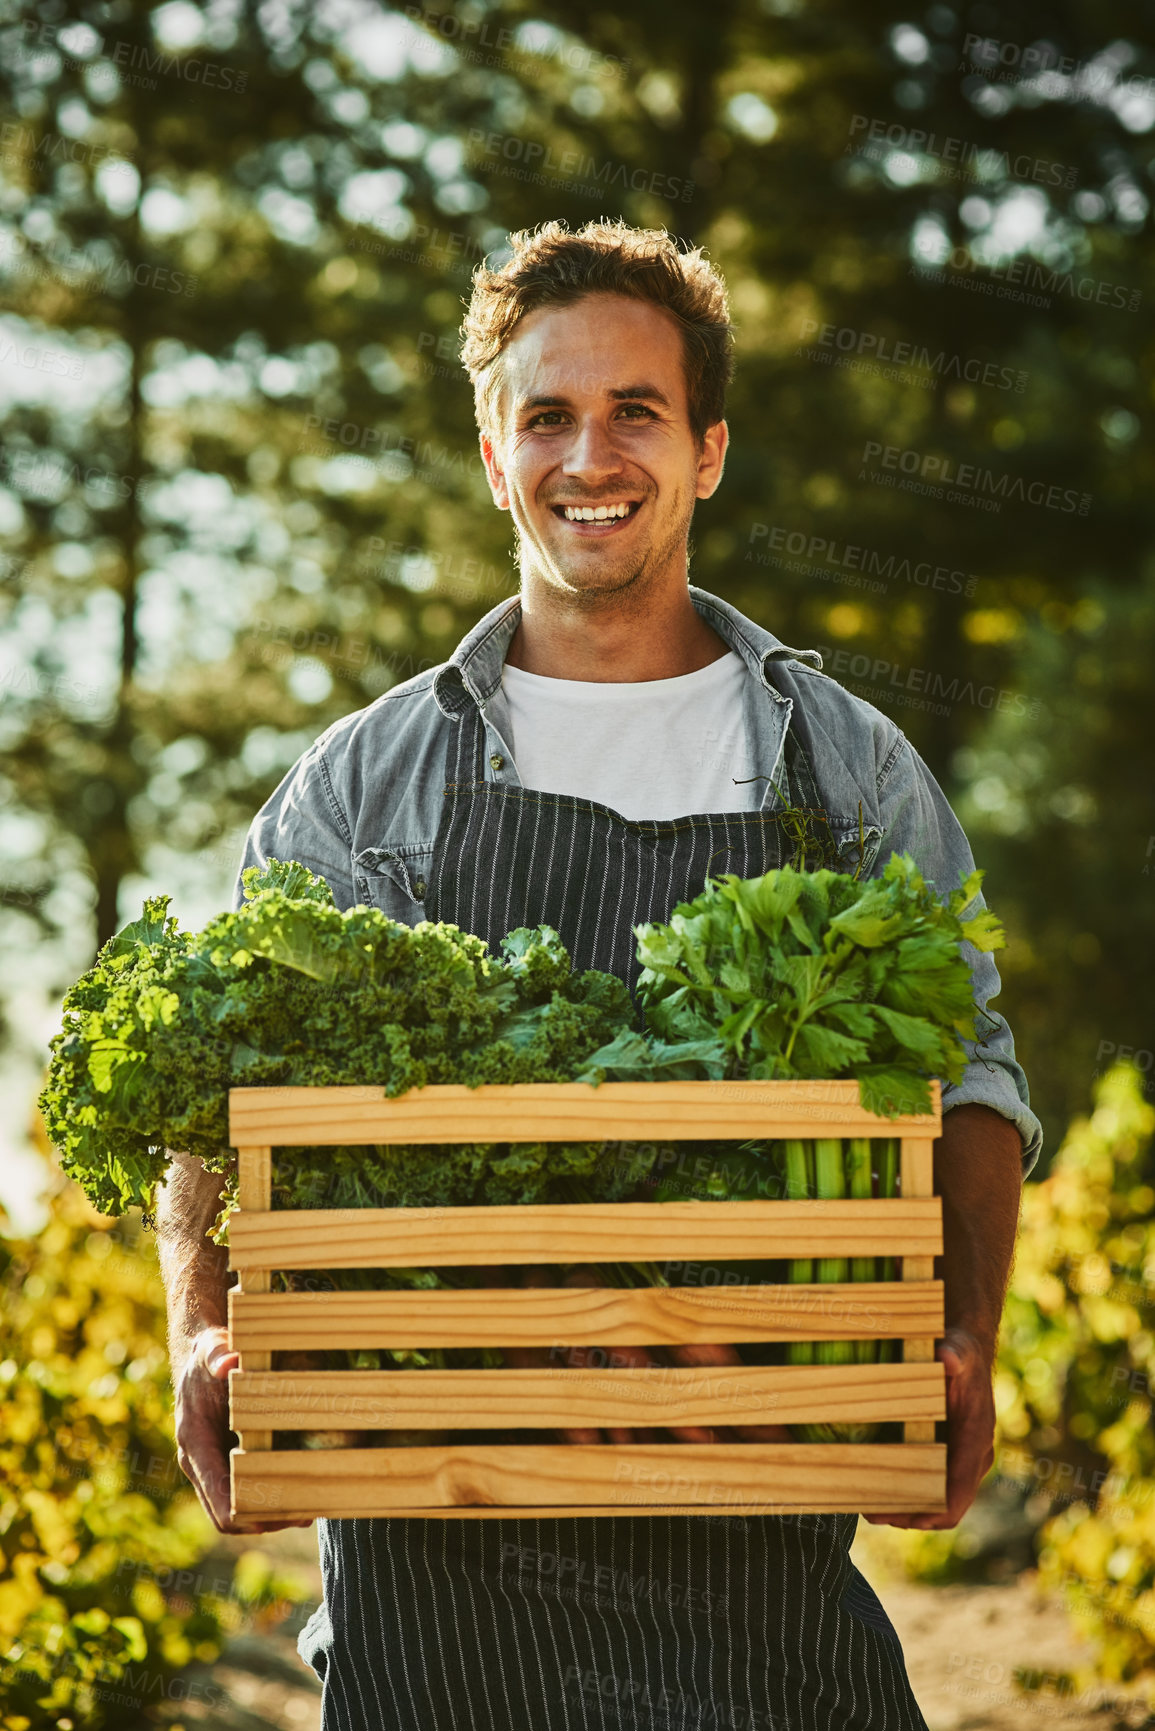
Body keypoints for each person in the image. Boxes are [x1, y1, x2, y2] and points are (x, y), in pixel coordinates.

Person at [157, 218, 1041, 1731]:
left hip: (756, 1494)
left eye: (636, 410)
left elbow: (966, 1069)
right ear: (496, 458)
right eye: (547, 416)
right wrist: (200, 1325)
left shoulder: (843, 770)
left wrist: (964, 1332)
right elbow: (222, 1083)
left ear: (706, 449)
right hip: (431, 1546)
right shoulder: (369, 783)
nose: (592, 455)